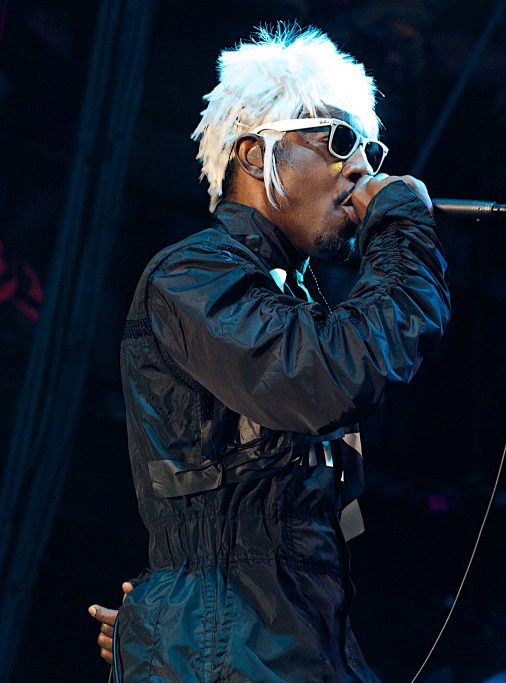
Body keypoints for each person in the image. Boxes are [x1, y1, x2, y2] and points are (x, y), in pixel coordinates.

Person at [88, 23, 449, 682]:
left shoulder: (302, 308)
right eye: (339, 140)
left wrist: (164, 621)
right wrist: (402, 230)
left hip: (284, 648)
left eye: (369, 147)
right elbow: (329, 377)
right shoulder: (194, 274)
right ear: (257, 155)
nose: (362, 168)